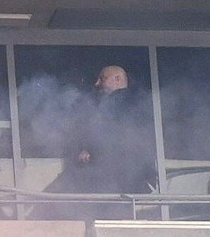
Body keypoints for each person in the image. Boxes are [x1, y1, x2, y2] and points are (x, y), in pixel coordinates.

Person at [48, 65, 157, 198]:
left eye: (102, 79)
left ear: (118, 79)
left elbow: (116, 138)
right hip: (121, 183)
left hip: (119, 182)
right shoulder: (132, 103)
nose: (97, 83)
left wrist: (89, 150)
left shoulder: (126, 103)